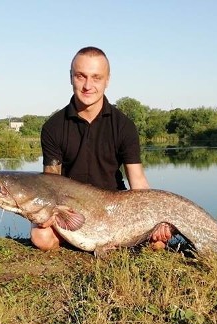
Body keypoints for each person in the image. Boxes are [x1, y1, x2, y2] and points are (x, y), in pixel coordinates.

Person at [32, 46, 173, 251]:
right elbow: (49, 184)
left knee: (158, 243)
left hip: (116, 209)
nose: (88, 85)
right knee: (41, 238)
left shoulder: (124, 126)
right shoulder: (53, 127)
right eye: (81, 76)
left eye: (96, 77)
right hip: (71, 211)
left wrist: (156, 219)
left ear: (107, 80)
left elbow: (138, 181)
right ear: (71, 77)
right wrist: (46, 215)